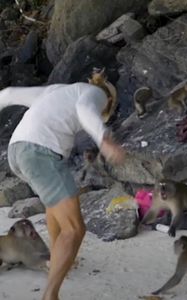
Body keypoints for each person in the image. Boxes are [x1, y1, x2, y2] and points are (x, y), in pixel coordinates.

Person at [4, 74, 125, 300]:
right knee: (75, 229)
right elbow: (84, 109)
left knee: (54, 206)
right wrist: (104, 139)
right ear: (109, 99)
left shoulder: (57, 90)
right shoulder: (96, 94)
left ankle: (56, 258)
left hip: (16, 151)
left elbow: (9, 94)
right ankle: (51, 295)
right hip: (40, 152)